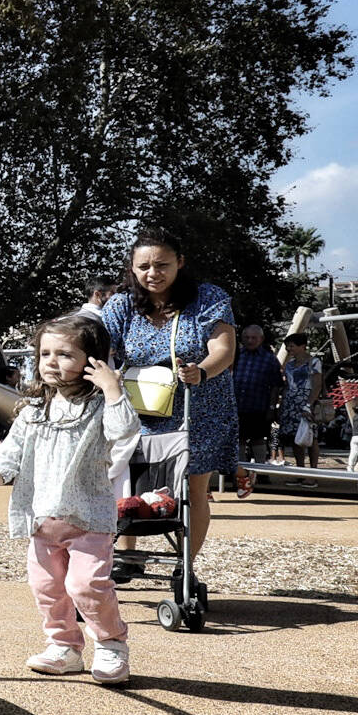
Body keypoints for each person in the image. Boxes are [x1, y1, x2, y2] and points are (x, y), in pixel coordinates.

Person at [0, 316, 140, 686]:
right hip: (42, 518)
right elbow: (13, 448)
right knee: (47, 588)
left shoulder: (101, 406)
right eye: (45, 352)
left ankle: (112, 644)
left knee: (86, 586)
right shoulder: (35, 408)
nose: (51, 361)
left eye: (65, 354)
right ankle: (63, 647)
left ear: (92, 361)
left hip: (87, 519)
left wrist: (113, 389)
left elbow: (124, 432)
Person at [100, 227, 237, 572]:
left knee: (192, 488)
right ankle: (127, 557)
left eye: (161, 265)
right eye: (143, 266)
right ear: (132, 268)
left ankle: (185, 563)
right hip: (139, 409)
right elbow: (101, 346)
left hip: (199, 404)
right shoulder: (121, 304)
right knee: (126, 477)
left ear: (180, 263)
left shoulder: (208, 298)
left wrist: (201, 371)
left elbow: (224, 348)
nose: (152, 273)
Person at [230, 324, 280, 495]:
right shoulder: (235, 355)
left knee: (259, 440)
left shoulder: (269, 358)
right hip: (236, 406)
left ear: (261, 339)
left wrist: (272, 408)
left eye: (254, 338)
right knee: (239, 441)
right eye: (247, 337)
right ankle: (241, 476)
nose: (250, 341)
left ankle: (260, 474)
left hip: (259, 405)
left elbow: (275, 386)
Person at [279, 333, 324, 471]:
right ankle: (300, 470)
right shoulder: (289, 365)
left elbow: (317, 385)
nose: (288, 348)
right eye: (287, 346)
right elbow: (287, 386)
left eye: (292, 345)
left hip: (307, 401)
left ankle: (313, 472)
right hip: (291, 403)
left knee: (311, 437)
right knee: (295, 438)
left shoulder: (314, 362)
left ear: (302, 346)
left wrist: (308, 405)